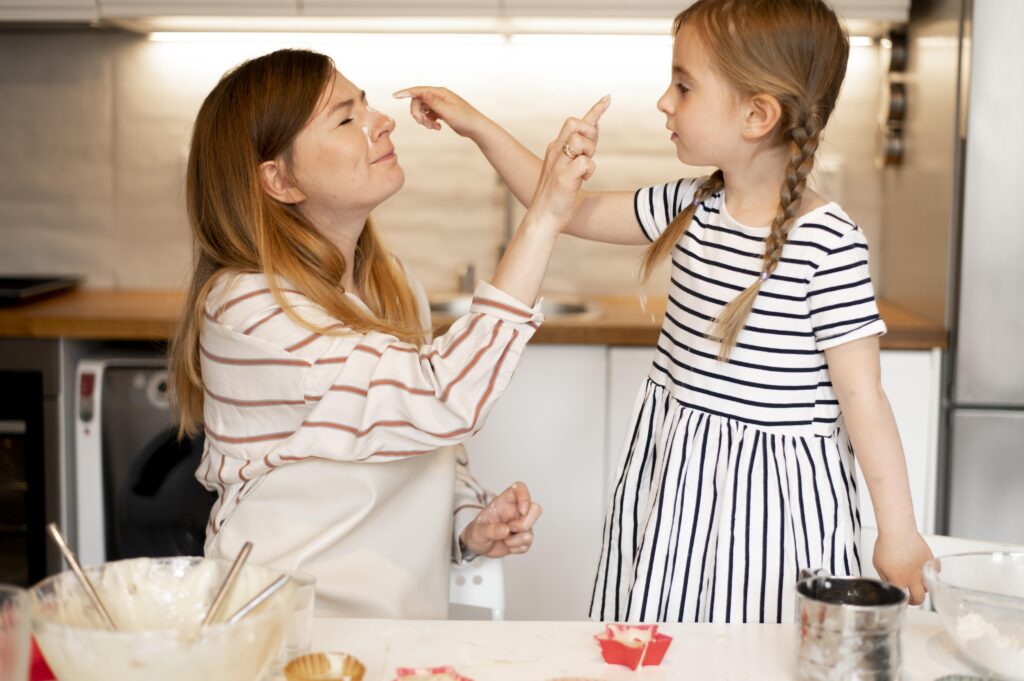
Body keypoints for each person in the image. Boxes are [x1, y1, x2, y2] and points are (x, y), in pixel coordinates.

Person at [396, 0, 933, 623]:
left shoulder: (829, 242)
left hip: (771, 511)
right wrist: (477, 124)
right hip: (676, 485)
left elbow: (863, 398)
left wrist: (898, 532)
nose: (663, 102)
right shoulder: (693, 204)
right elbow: (565, 210)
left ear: (757, 114)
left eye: (682, 85)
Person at [168, 48, 610, 618]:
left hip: (395, 634)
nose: (382, 122)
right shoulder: (249, 306)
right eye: (346, 118)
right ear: (279, 179)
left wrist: (465, 524)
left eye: (368, 106)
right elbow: (442, 396)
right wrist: (545, 216)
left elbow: (415, 440)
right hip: (283, 629)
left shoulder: (392, 285)